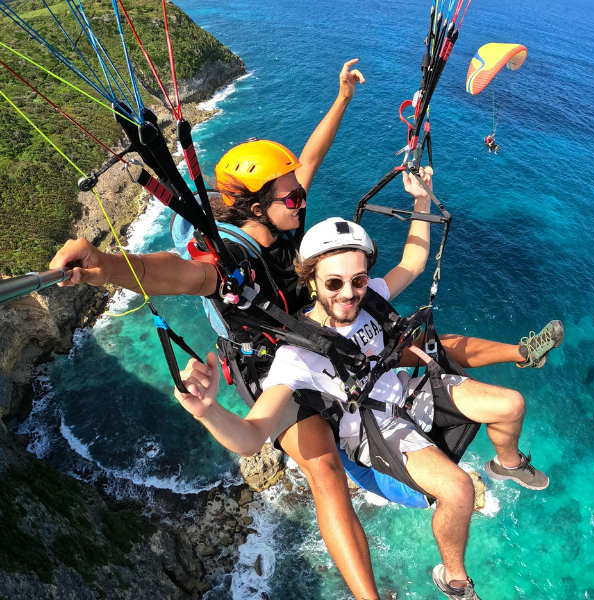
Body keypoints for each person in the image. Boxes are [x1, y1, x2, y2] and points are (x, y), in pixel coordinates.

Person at [50, 60, 563, 599]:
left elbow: (311, 159)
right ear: (257, 208)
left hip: (331, 334)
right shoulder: (226, 262)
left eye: (299, 193)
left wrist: (341, 97)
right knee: (325, 474)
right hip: (277, 360)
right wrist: (103, 266)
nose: (302, 199)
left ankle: (520, 356)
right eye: (291, 197)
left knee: (433, 348)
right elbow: (166, 273)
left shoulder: (295, 230)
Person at [174, 217, 557, 600]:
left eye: (357, 281)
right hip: (375, 427)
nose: (349, 294)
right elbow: (253, 435)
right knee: (458, 490)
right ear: (312, 283)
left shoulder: (371, 297)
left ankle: (508, 466)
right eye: (334, 283)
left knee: (511, 404)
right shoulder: (294, 356)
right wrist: (208, 411)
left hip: (409, 391)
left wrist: (421, 197)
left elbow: (414, 261)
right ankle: (455, 581)